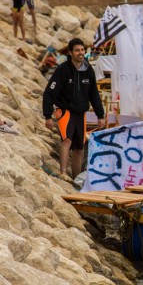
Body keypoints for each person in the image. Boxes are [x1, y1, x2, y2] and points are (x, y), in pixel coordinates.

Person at [42, 38, 106, 179]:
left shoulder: (88, 70)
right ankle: (63, 173)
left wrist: (100, 115)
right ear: (70, 52)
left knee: (79, 147)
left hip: (80, 113)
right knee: (67, 140)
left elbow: (94, 94)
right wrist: (47, 115)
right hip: (65, 111)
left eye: (82, 50)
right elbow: (49, 92)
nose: (81, 53)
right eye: (77, 50)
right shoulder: (62, 70)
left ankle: (77, 178)